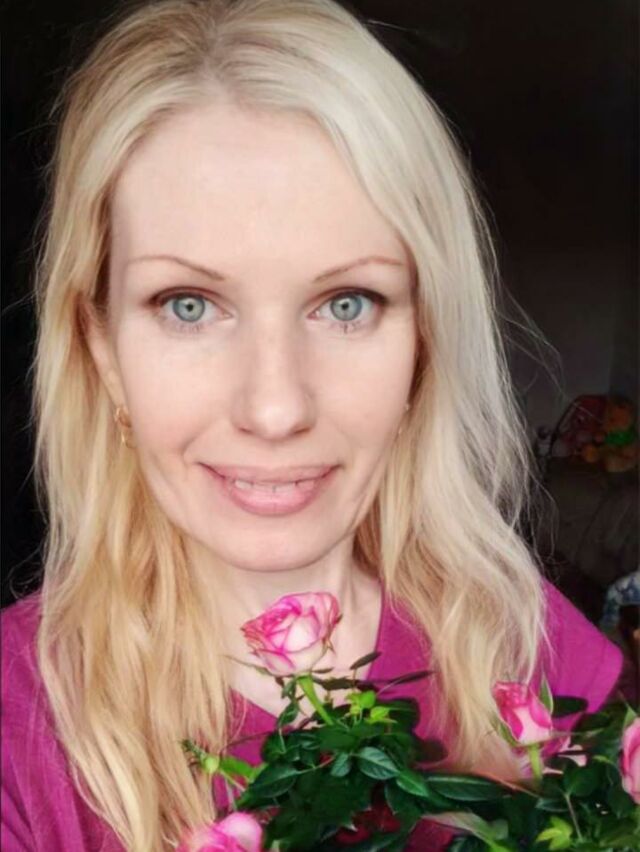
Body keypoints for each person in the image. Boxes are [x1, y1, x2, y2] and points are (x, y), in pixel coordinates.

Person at [0, 1, 624, 850]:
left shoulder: (527, 647)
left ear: (423, 342)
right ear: (102, 349)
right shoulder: (19, 737)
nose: (276, 409)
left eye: (347, 303)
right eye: (188, 305)